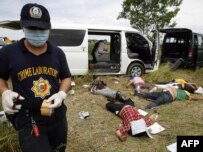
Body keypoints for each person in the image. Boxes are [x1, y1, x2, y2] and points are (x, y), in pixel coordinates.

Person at [0, 3, 71, 152]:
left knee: (59, 149)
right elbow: (1, 78)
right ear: (23, 27)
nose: (37, 32)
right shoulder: (8, 52)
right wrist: (5, 92)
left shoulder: (58, 53)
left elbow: (66, 77)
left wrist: (62, 93)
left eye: (42, 29)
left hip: (57, 116)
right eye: (32, 28)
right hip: (28, 118)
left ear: (49, 28)